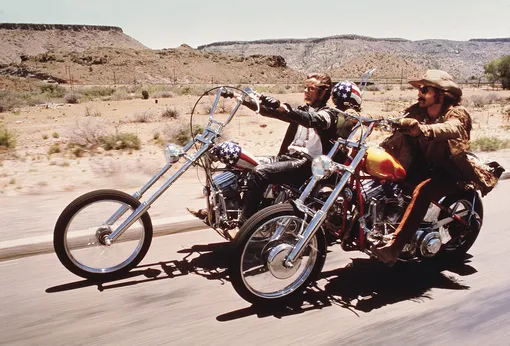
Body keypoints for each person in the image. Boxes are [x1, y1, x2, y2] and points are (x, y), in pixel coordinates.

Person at [188, 72, 345, 224]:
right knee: (239, 163)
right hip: (288, 157)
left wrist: (283, 107)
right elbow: (271, 112)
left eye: (311, 88)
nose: (306, 91)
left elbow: (311, 120)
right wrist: (242, 99)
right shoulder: (302, 110)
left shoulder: (328, 114)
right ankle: (222, 211)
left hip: (306, 164)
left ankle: (248, 223)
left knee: (260, 173)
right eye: (305, 87)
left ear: (324, 92)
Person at [371, 69, 475, 265]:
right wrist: (365, 117)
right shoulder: (419, 110)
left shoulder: (456, 112)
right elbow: (395, 116)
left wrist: (423, 129)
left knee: (423, 190)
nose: (419, 93)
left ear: (440, 94)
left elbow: (454, 127)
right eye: (420, 89)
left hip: (450, 171)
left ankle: (394, 248)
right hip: (424, 165)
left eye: (425, 89)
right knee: (386, 176)